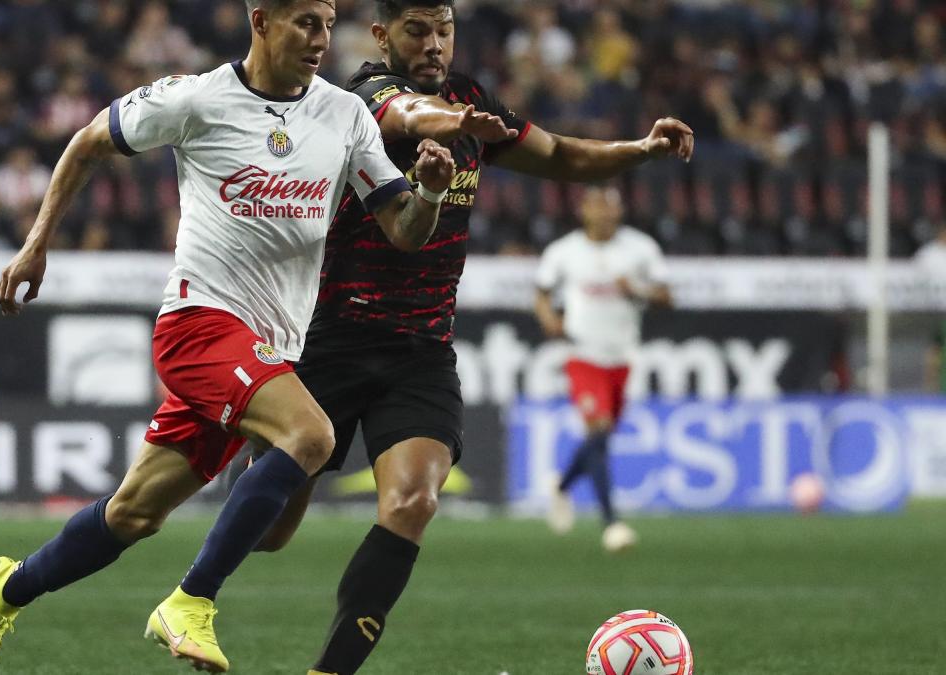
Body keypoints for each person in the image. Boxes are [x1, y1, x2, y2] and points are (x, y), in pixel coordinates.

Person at [0, 1, 457, 674]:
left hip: (269, 350)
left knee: (132, 514)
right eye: (305, 21)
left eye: (328, 22)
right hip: (199, 324)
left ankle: (6, 588)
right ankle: (192, 600)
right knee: (311, 435)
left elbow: (402, 227)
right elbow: (86, 142)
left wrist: (426, 194)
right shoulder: (197, 99)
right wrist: (36, 244)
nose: (320, 39)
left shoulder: (344, 116)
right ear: (260, 20)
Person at [228, 2, 693, 674]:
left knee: (414, 500)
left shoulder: (473, 99)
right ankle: (235, 488)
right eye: (418, 31)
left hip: (420, 352)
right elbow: (403, 116)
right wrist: (450, 121)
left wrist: (639, 150)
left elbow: (561, 153)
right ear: (384, 35)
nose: (435, 44)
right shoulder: (362, 96)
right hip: (330, 339)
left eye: (445, 30)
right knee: (269, 533)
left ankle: (328, 671)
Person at [534, 187, 672, 552]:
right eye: (599, 206)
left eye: (612, 206)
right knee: (598, 428)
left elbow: (666, 296)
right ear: (584, 210)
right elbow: (542, 293)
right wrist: (549, 319)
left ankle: (561, 486)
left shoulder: (640, 248)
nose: (606, 213)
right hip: (582, 352)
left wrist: (638, 290)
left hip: (622, 356)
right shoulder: (564, 251)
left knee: (601, 438)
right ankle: (611, 523)